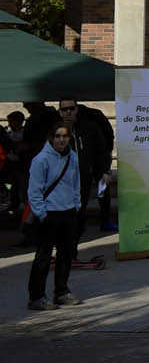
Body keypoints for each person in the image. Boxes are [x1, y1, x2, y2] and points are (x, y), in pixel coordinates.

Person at [26, 121, 83, 310]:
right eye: (57, 136)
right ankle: (36, 297)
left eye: (64, 136)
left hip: (68, 212)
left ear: (69, 138)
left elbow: (76, 183)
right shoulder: (41, 160)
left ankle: (61, 292)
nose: (61, 140)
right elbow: (34, 191)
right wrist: (41, 214)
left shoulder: (72, 157)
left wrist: (76, 204)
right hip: (49, 214)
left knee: (66, 255)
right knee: (43, 257)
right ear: (51, 138)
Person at [57, 98, 115, 234]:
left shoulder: (89, 126)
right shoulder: (57, 129)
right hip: (72, 172)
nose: (68, 112)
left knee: (100, 193)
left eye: (71, 108)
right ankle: (78, 225)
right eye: (65, 109)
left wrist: (105, 170)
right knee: (78, 199)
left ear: (77, 109)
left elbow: (103, 148)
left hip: (91, 166)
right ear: (60, 112)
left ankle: (104, 220)